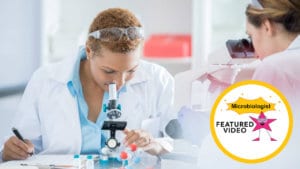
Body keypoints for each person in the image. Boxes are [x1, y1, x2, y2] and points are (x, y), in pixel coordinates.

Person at [1, 8, 174, 161]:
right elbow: (24, 144)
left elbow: (175, 143)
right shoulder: (44, 80)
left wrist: (152, 143)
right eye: (109, 71)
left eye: (131, 70)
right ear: (89, 51)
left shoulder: (158, 80)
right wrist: (11, 150)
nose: (120, 82)